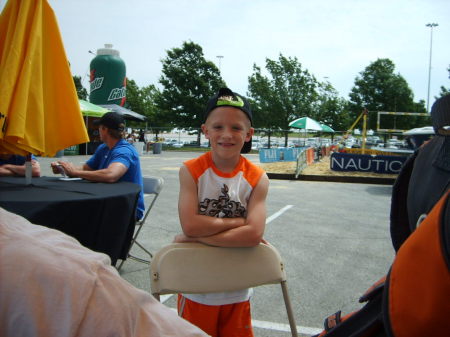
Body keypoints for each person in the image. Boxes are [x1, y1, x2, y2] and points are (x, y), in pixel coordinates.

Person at [0, 207, 208, 337]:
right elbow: (191, 227)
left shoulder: (64, 277)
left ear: (102, 131)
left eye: (236, 131)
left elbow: (112, 173)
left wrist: (200, 235)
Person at [174, 87, 270, 337]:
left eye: (236, 128)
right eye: (218, 127)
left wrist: (197, 238)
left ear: (249, 134)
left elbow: (253, 235)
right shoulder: (191, 171)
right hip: (196, 286)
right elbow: (190, 226)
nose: (227, 134)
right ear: (205, 130)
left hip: (237, 287)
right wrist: (239, 222)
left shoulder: (257, 178)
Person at [51, 112, 145, 219]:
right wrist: (65, 168)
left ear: (104, 129)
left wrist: (75, 172)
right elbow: (86, 168)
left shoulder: (124, 151)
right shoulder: (103, 148)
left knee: (73, 213)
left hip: (128, 208)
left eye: (99, 127)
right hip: (108, 200)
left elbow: (111, 175)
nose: (98, 131)